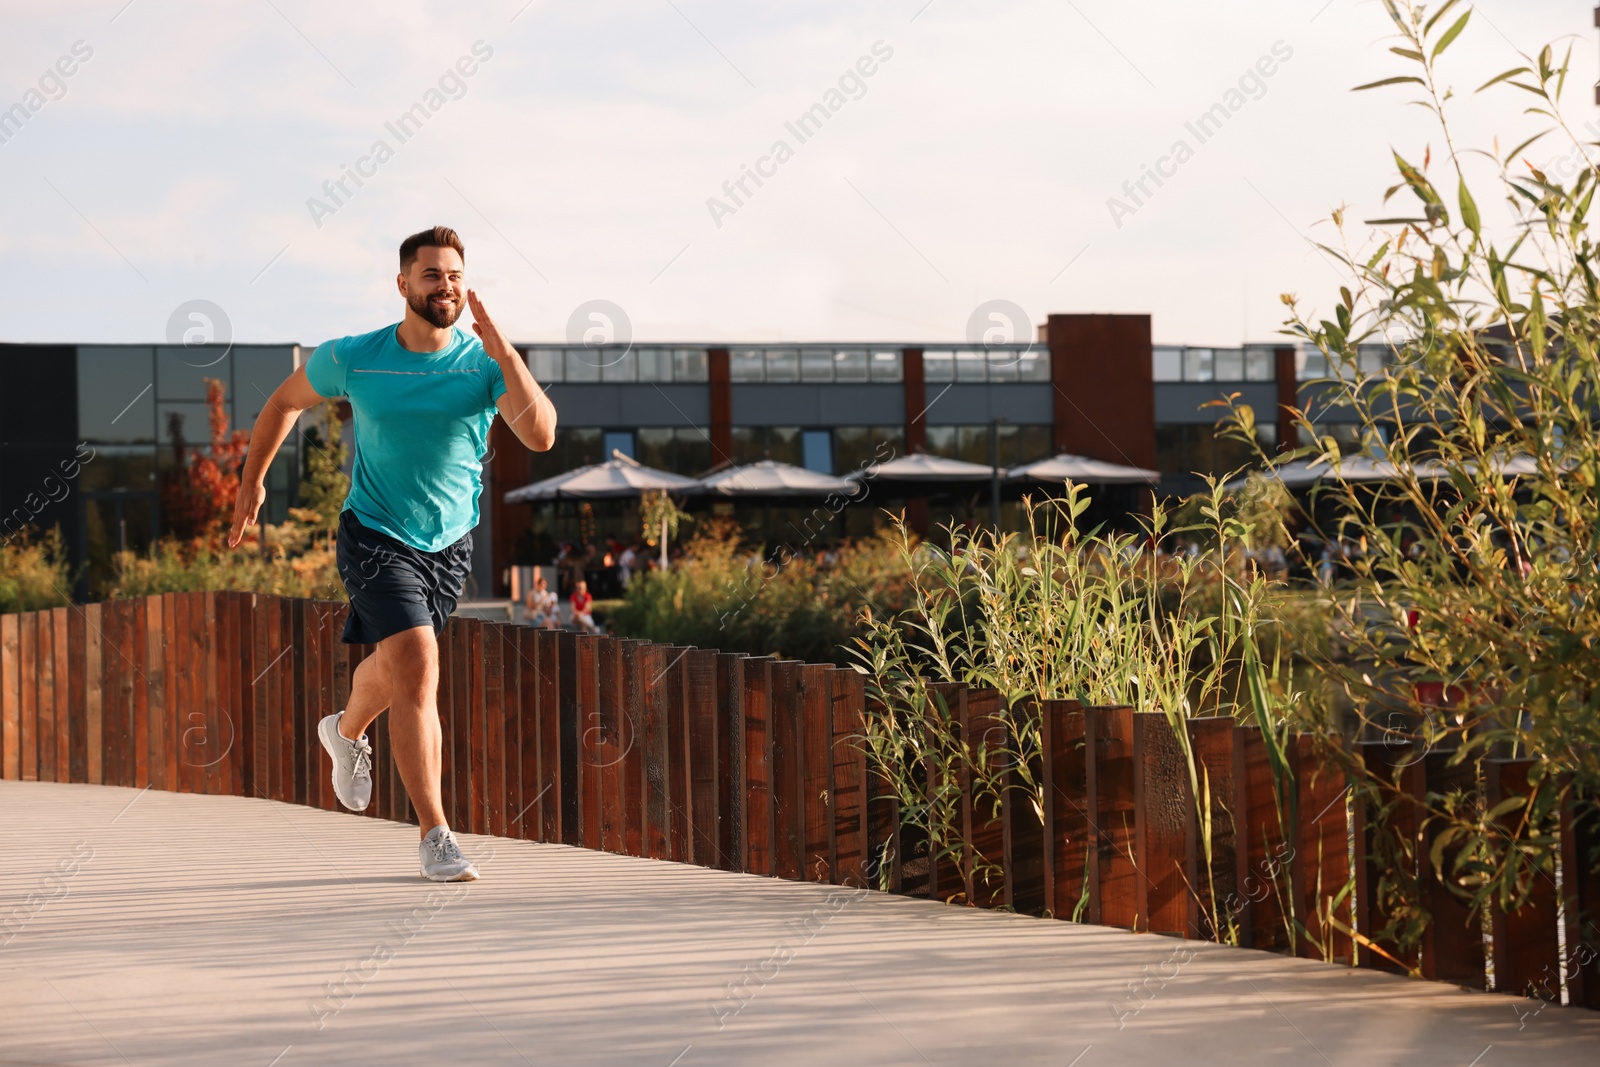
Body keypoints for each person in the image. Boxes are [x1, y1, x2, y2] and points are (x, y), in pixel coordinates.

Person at [226, 225, 557, 882]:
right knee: (418, 659)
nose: (445, 286)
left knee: (398, 667)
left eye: (455, 275)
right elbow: (283, 402)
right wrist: (251, 481)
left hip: (448, 545)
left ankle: (344, 731)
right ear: (403, 283)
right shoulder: (356, 356)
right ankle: (436, 833)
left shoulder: (484, 363)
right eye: (431, 274)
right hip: (374, 532)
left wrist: (507, 354)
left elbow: (542, 435)